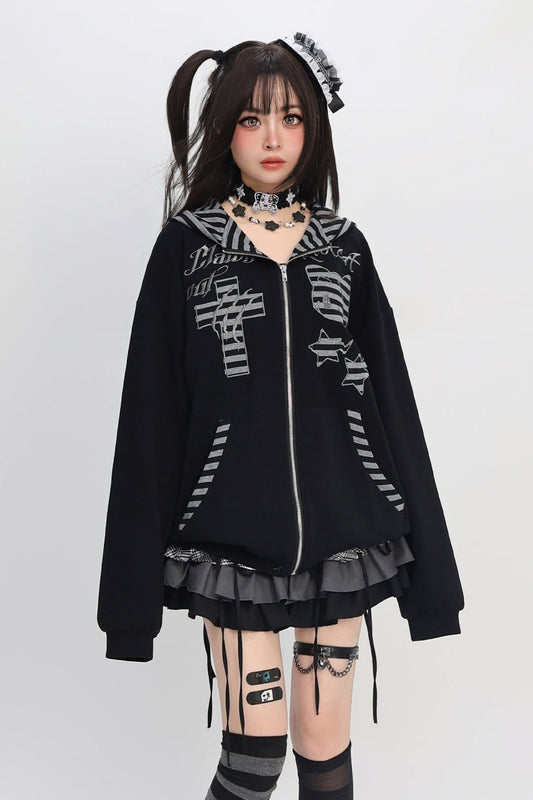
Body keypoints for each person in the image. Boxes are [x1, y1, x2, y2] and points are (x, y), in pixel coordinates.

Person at [97, 32, 465, 800]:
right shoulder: (187, 250)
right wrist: (127, 608)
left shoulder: (343, 248)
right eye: (251, 118)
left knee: (325, 748)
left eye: (291, 118)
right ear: (224, 127)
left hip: (346, 540)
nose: (272, 137)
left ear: (313, 128)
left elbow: (392, 404)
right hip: (229, 544)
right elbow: (150, 422)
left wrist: (434, 586)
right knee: (253, 754)